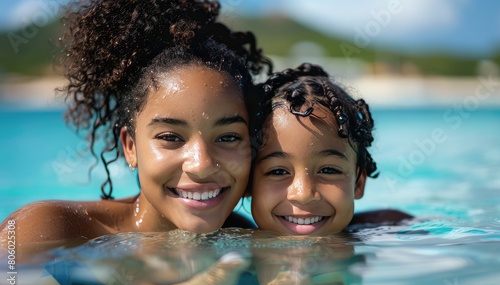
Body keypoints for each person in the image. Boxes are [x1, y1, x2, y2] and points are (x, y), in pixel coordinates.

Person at [0, 0, 272, 251]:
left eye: (227, 138)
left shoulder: (243, 236)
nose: (201, 164)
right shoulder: (46, 229)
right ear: (130, 146)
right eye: (170, 137)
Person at [250, 62, 412, 236]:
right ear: (249, 182)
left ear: (358, 183)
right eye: (278, 171)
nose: (304, 194)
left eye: (328, 170)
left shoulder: (391, 229)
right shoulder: (229, 244)